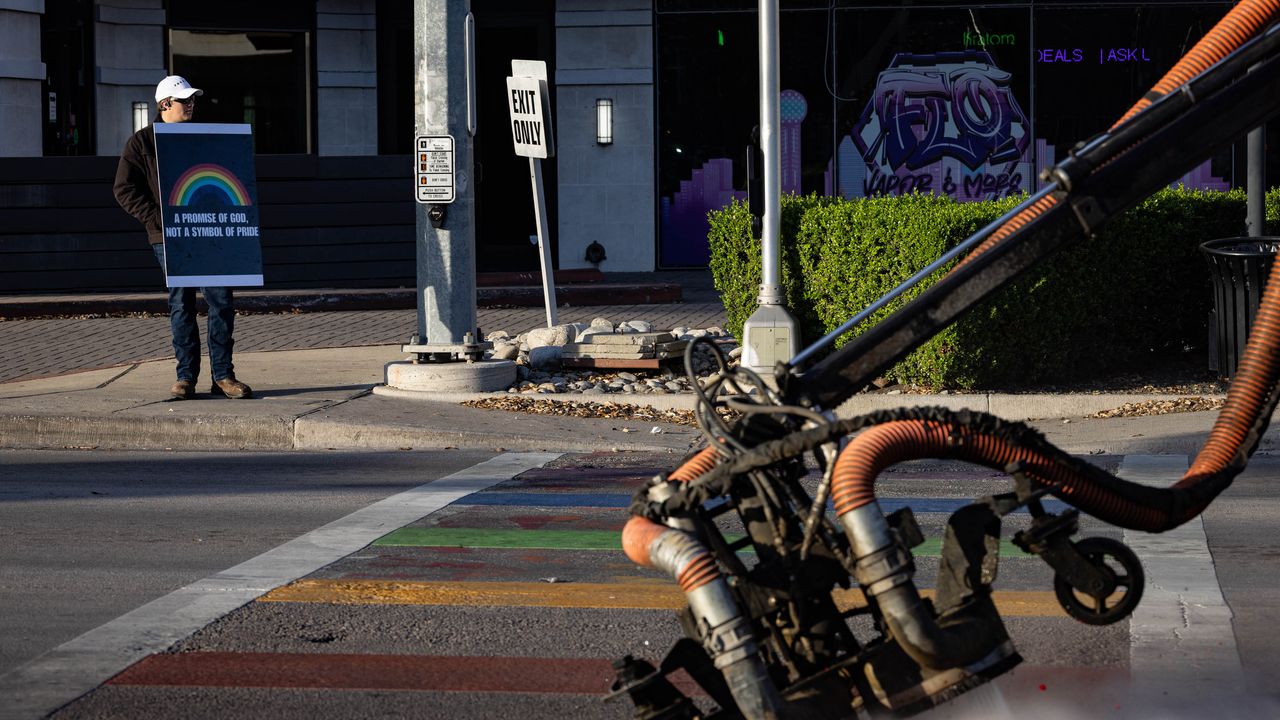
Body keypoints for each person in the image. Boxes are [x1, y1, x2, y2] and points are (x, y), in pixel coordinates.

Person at [113, 75, 253, 400]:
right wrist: (158, 220)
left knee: (221, 301)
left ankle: (223, 376)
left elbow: (222, 178)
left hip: (209, 233)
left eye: (192, 100)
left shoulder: (202, 137)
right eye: (184, 100)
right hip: (169, 237)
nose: (190, 105)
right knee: (181, 303)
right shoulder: (141, 143)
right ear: (165, 104)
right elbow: (123, 189)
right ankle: (185, 377)